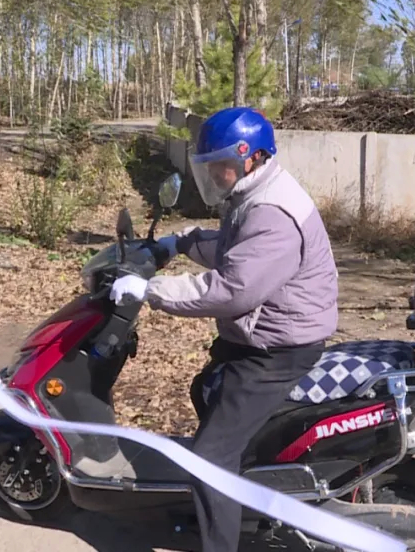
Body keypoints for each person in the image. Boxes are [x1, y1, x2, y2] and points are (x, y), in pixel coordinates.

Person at [108, 107, 339, 552]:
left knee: (210, 457)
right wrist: (181, 242)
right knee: (205, 391)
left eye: (220, 165)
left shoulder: (273, 213)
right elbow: (235, 250)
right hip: (265, 337)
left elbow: (232, 288)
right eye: (208, 166)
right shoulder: (255, 194)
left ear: (249, 157)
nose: (214, 174)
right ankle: (234, 497)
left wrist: (149, 289)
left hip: (277, 348)